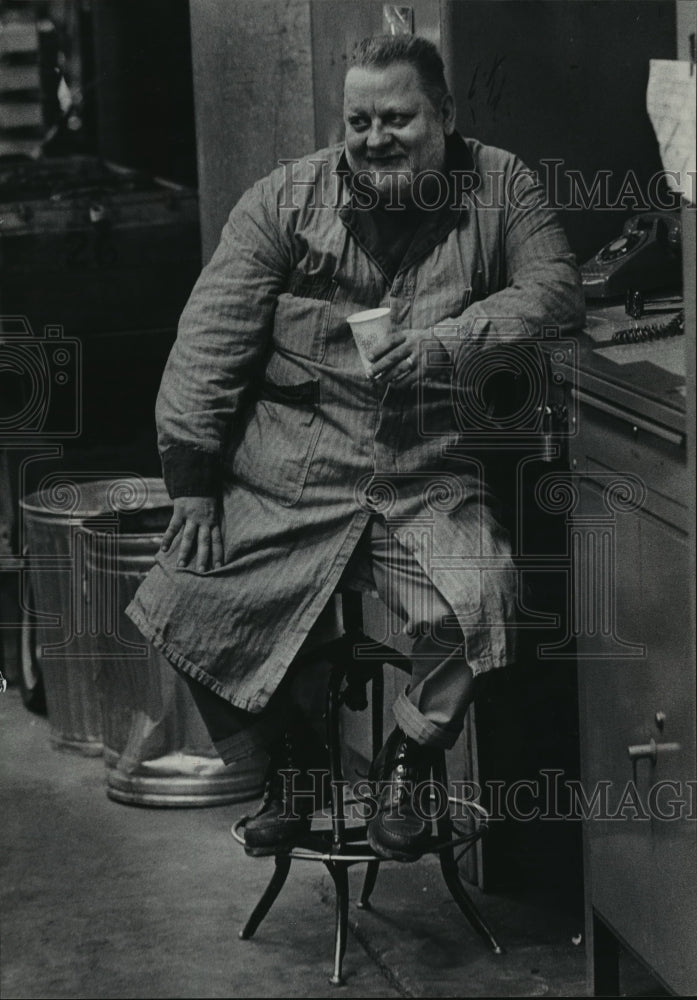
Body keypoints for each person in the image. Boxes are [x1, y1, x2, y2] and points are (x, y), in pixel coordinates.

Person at [126, 34, 584, 863]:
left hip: (420, 473)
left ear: (444, 114)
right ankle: (295, 769)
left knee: (481, 597)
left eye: (398, 118)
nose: (376, 139)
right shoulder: (282, 201)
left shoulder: (500, 182)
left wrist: (448, 342)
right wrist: (192, 482)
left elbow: (554, 288)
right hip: (289, 476)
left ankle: (409, 758)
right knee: (177, 603)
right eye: (358, 121)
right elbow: (208, 345)